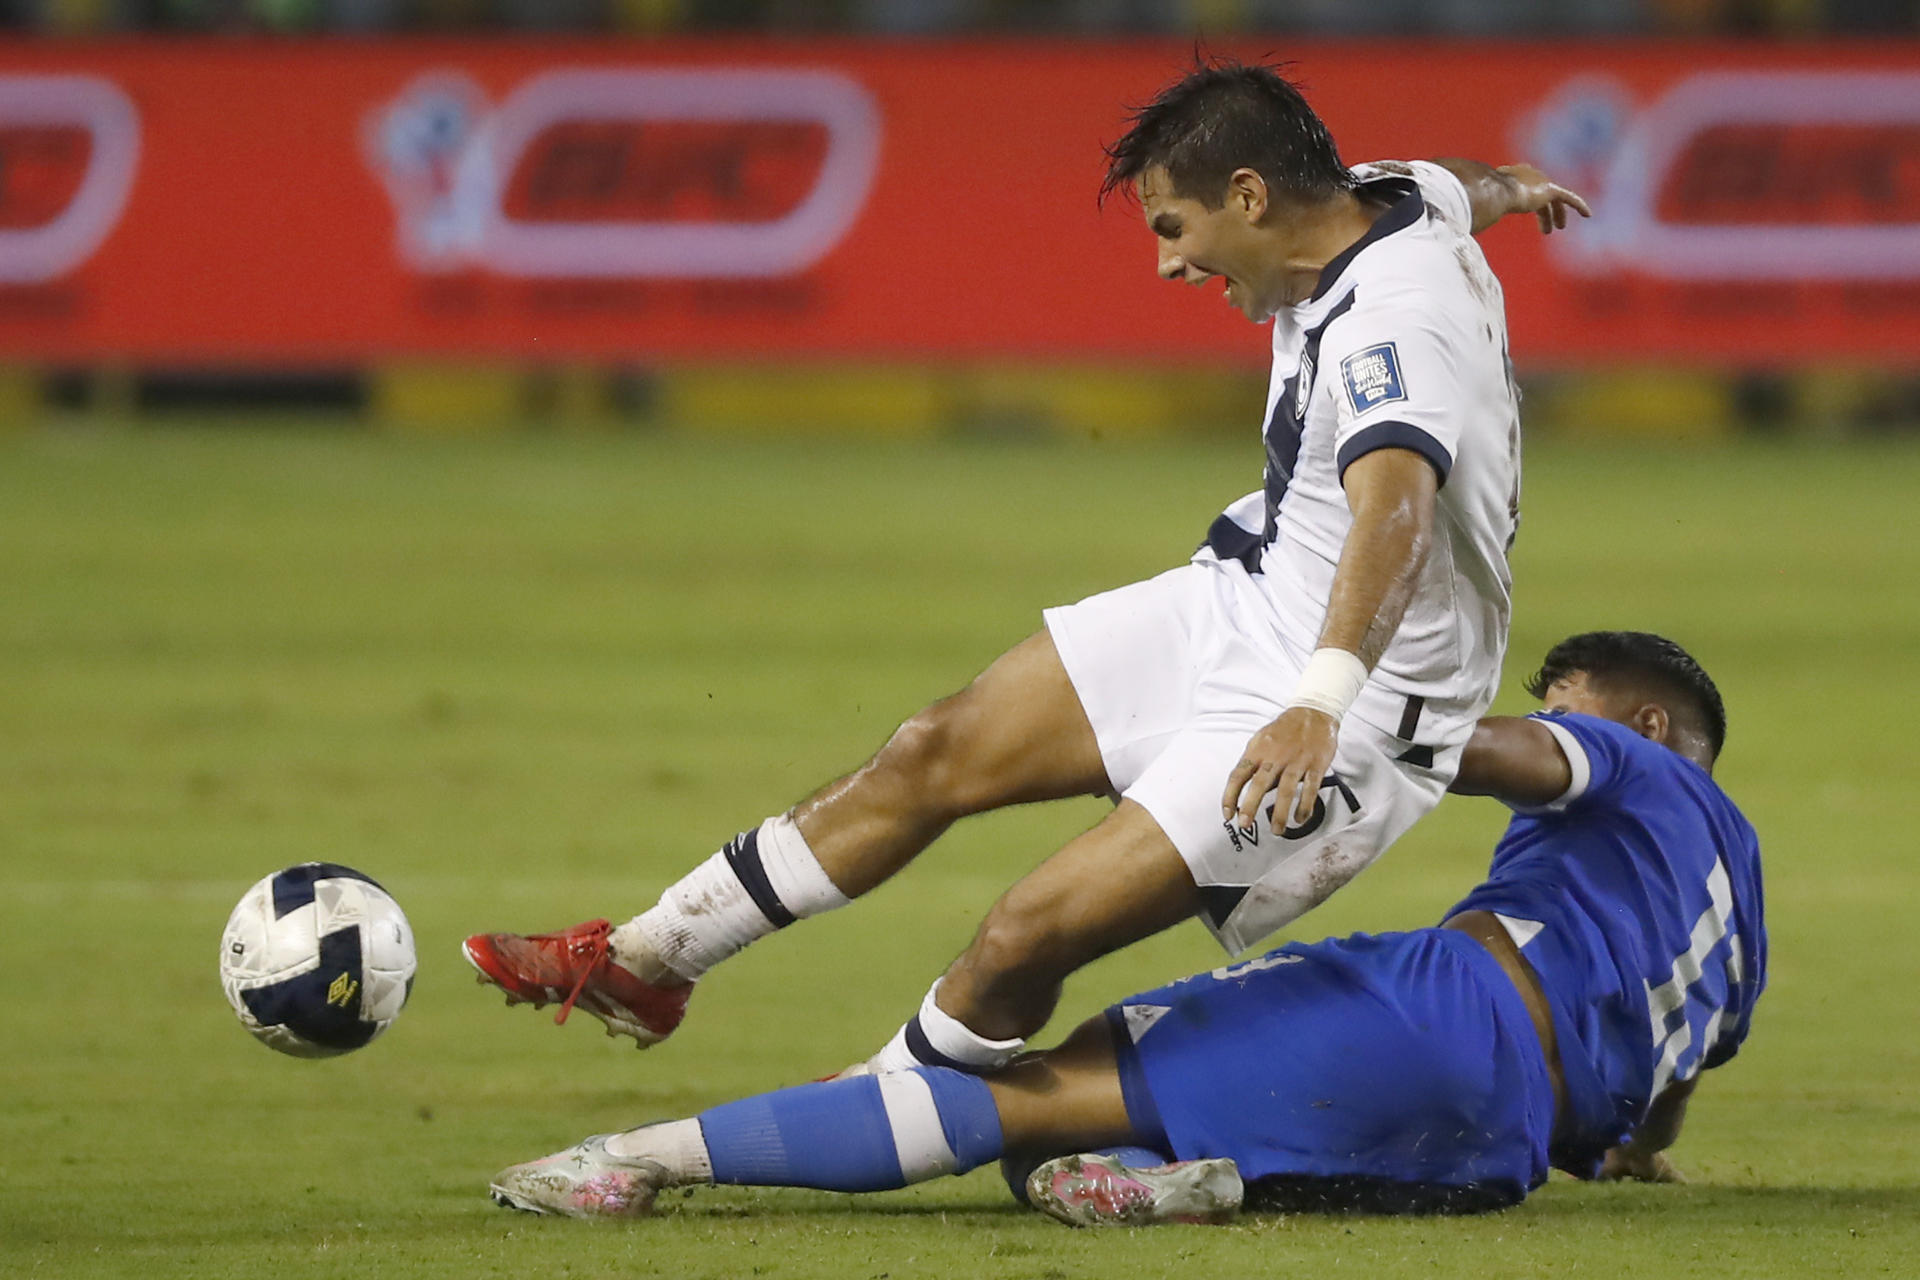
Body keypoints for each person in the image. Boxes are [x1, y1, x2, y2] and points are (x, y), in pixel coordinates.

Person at [462, 60, 1593, 1079]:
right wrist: (1515, 185)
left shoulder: (1395, 322)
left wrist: (1317, 703)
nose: (1169, 263)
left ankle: (861, 1123)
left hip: (1358, 694)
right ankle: (650, 959)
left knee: (1022, 935)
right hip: (1254, 600)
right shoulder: (1386, 196)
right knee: (935, 746)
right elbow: (1455, 183)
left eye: (1176, 227)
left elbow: (1394, 516)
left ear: (1251, 196)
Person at [483, 631, 1766, 1226]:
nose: (1556, 717)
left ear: (1647, 725)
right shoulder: (1744, 900)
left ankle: (634, 1156)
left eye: (1571, 702)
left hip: (1442, 1013)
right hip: (1506, 1146)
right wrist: (1637, 1156)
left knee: (1026, 1094)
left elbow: (1501, 754)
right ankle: (1165, 1183)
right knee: (1091, 1142)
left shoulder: (1629, 761)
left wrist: (1341, 716)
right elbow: (1675, 1088)